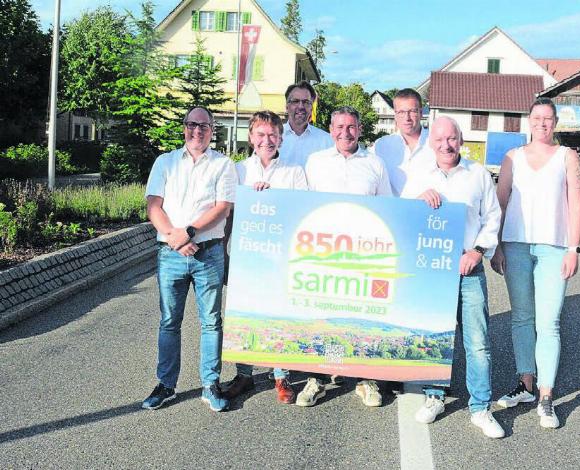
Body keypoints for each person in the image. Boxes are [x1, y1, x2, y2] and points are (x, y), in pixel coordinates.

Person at [401, 116, 504, 438]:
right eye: (440, 140)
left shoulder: (477, 175)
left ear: (461, 140)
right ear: (431, 143)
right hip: (433, 271)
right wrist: (418, 201)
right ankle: (434, 396)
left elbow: (493, 217)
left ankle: (480, 407)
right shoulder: (419, 175)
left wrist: (477, 251)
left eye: (452, 139)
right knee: (436, 337)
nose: (446, 145)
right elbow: (401, 215)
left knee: (477, 343)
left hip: (469, 268)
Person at [490, 97, 580, 429]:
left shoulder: (567, 157)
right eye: (537, 118)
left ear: (555, 123)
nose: (542, 123)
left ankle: (546, 396)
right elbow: (500, 202)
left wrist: (573, 248)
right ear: (528, 122)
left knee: (548, 322)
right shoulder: (512, 158)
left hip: (554, 248)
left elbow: (576, 203)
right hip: (515, 245)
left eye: (548, 118)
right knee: (521, 318)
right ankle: (525, 385)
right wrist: (496, 245)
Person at [142, 106, 237, 412]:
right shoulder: (165, 162)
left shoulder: (223, 164)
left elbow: (222, 207)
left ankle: (210, 384)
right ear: (184, 128)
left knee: (211, 322)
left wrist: (190, 232)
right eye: (192, 125)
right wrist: (174, 236)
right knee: (170, 321)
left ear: (213, 131)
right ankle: (166, 385)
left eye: (204, 126)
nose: (198, 131)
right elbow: (154, 205)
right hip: (171, 254)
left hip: (208, 253)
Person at [300, 106, 392, 407]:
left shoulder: (375, 164)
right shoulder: (315, 163)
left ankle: (366, 380)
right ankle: (322, 376)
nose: (345, 133)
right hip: (324, 254)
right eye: (339, 127)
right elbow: (302, 205)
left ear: (360, 129)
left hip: (363, 256)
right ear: (330, 129)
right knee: (326, 317)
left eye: (351, 127)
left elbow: (388, 208)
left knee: (362, 319)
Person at [222, 110, 308, 405]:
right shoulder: (238, 170)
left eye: (272, 135)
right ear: (251, 137)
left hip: (280, 258)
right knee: (243, 316)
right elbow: (228, 212)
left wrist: (273, 198)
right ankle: (244, 374)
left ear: (281, 138)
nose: (267, 140)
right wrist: (223, 251)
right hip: (247, 257)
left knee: (277, 317)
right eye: (261, 134)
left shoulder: (294, 171)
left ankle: (280, 375)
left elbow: (302, 211)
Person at [373, 88, 434, 196]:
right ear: (395, 114)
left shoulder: (437, 143)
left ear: (421, 113)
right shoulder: (380, 146)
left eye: (412, 111)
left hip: (429, 211)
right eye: (401, 112)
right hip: (391, 211)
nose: (407, 118)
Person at [280, 81, 333, 168]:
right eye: (295, 101)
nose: (301, 106)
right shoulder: (271, 139)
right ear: (286, 106)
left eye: (306, 102)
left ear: (311, 107)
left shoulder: (327, 141)